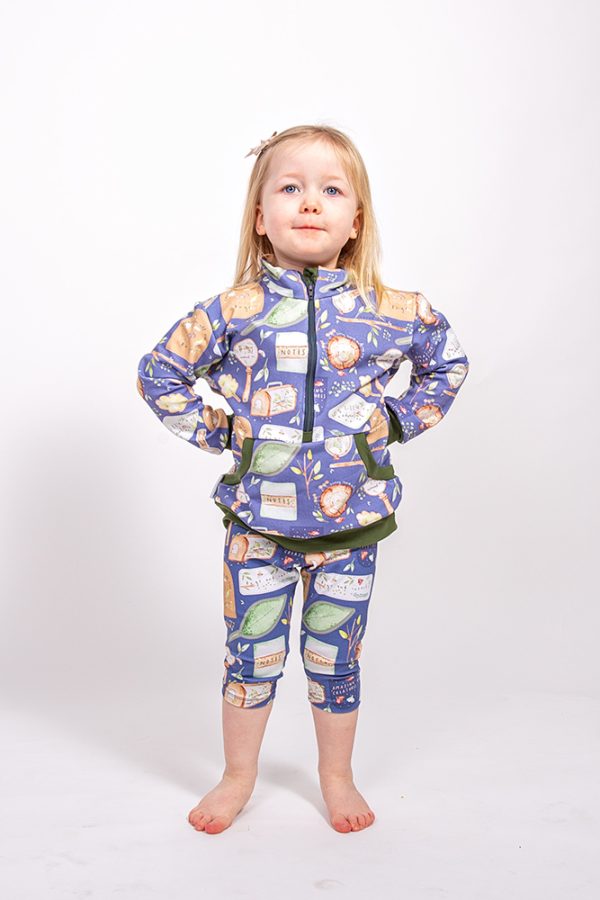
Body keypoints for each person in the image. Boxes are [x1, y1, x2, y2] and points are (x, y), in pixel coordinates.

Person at [136, 124, 470, 835]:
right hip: (257, 527)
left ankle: (336, 776)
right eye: (290, 188)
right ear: (261, 217)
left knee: (334, 660)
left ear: (356, 221)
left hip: (352, 529)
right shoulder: (233, 311)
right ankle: (238, 776)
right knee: (250, 659)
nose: (311, 202)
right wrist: (225, 435)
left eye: (331, 190)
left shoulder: (393, 311)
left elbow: (448, 365)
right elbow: (159, 372)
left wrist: (395, 421)